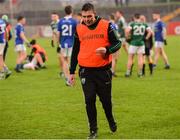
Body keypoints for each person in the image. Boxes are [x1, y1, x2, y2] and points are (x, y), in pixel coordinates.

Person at [69, 3, 121, 139]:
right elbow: (75, 51)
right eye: (84, 16)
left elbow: (117, 43)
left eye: (89, 16)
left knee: (105, 101)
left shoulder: (106, 25)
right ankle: (93, 130)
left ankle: (110, 120)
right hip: (86, 71)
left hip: (103, 71)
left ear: (95, 13)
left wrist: (107, 50)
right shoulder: (79, 28)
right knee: (89, 100)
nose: (87, 19)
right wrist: (71, 71)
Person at [58, 5, 77, 85]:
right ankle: (70, 78)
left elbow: (59, 34)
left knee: (65, 60)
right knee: (70, 60)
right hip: (71, 43)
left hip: (63, 43)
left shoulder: (61, 21)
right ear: (71, 11)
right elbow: (77, 33)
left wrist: (59, 42)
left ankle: (67, 77)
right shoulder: (74, 21)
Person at [50, 12, 63, 77]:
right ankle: (62, 71)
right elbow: (53, 32)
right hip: (58, 43)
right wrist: (52, 40)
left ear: (57, 16)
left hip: (63, 42)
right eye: (52, 17)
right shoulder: (52, 24)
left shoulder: (60, 22)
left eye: (54, 16)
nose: (53, 18)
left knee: (63, 57)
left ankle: (65, 71)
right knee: (59, 57)